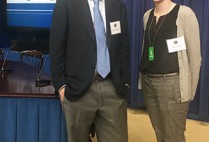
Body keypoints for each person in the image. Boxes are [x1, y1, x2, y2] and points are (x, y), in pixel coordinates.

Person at [49, 0, 130, 142]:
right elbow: (57, 45)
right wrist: (61, 85)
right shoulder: (66, 4)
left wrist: (125, 81)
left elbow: (124, 45)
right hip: (78, 90)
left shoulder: (117, 4)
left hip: (113, 88)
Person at [138, 0, 201, 142]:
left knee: (173, 136)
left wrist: (189, 92)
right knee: (160, 133)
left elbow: (195, 57)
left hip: (173, 85)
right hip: (149, 83)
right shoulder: (147, 16)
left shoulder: (184, 14)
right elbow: (148, 48)